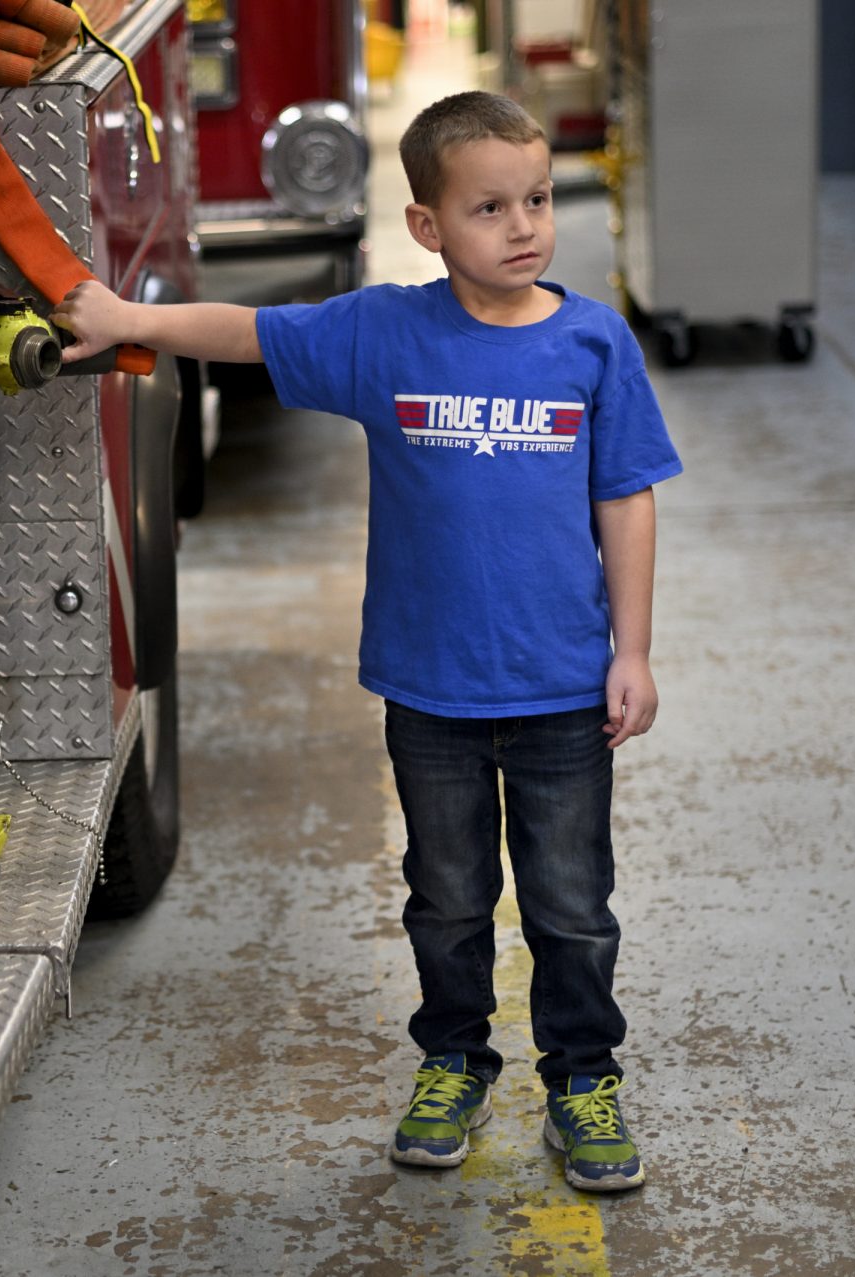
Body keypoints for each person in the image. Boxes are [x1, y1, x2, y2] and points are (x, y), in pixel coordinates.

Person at [52, 90, 681, 1193]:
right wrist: (129, 320)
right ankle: (453, 1059)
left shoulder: (593, 341)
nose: (525, 225)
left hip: (561, 689)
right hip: (429, 689)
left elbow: (626, 497)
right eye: (490, 207)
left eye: (536, 198)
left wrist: (632, 650)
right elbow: (247, 331)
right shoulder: (387, 331)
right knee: (445, 892)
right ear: (430, 226)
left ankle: (583, 1077)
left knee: (571, 903)